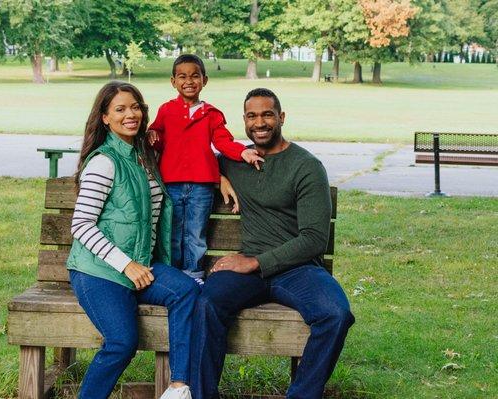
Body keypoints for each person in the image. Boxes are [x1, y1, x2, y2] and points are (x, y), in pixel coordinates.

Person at [189, 88, 355, 399]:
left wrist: (255, 262)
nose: (260, 122)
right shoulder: (236, 160)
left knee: (336, 314)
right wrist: (218, 177)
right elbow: (189, 159)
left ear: (281, 117)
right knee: (207, 303)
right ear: (244, 121)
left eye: (267, 114)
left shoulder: (305, 166)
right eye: (252, 116)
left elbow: (314, 239)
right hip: (247, 272)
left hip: (297, 269)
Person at [66, 81, 199, 399]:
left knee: (186, 291)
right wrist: (126, 265)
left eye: (136, 107)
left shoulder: (144, 156)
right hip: (98, 272)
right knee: (122, 343)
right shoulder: (104, 162)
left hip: (140, 264)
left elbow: (192, 156)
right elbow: (81, 225)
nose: (131, 114)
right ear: (105, 118)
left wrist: (220, 178)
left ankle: (179, 387)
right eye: (120, 109)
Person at [148, 54, 263, 284]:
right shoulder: (166, 111)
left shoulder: (211, 114)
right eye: (182, 76)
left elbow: (223, 141)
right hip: (171, 182)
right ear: (173, 82)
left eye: (195, 76)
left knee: (195, 234)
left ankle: (193, 274)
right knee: (172, 232)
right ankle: (172, 275)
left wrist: (242, 152)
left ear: (204, 80)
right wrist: (152, 135)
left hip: (201, 185)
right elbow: (157, 138)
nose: (189, 81)